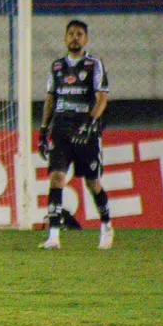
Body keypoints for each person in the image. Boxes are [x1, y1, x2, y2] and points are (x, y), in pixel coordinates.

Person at [38, 20, 112, 251]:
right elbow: (51, 99)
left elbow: (102, 98)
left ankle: (107, 225)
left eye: (79, 34)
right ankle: (53, 236)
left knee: (93, 183)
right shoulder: (57, 67)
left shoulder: (94, 65)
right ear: (64, 38)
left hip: (85, 129)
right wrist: (43, 131)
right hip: (61, 128)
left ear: (86, 39)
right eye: (70, 34)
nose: (74, 38)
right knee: (57, 177)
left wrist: (90, 123)